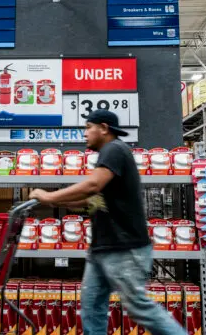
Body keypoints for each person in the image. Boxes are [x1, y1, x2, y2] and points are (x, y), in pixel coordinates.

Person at [29, 110, 187, 335]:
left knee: (140, 308)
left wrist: (48, 197)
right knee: (92, 308)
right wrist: (60, 202)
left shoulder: (115, 149)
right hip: (102, 249)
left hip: (124, 249)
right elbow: (93, 199)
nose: (84, 134)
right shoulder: (109, 154)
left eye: (87, 127)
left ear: (103, 128)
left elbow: (93, 185)